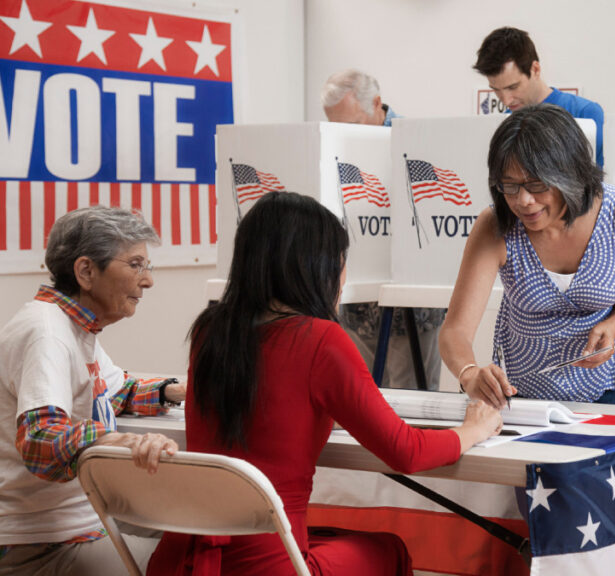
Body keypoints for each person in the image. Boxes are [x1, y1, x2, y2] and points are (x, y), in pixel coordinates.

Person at [147, 192, 501, 575]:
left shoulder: (210, 330)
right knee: (388, 550)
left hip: (183, 559)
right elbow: (406, 452)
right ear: (316, 266)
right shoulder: (319, 339)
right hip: (269, 564)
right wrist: (472, 430)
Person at [439, 104, 615, 407]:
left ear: (570, 174)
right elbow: (455, 330)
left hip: (614, 386)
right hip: (525, 394)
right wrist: (469, 374)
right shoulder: (496, 226)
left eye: (537, 184)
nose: (523, 201)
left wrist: (614, 325)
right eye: (509, 186)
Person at [0, 205, 183, 575]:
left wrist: (176, 391)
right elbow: (40, 439)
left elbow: (116, 393)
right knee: (196, 561)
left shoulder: (75, 328)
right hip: (42, 542)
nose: (147, 281)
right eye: (135, 265)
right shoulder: (47, 333)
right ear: (85, 271)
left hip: (77, 519)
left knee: (193, 531)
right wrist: (121, 441)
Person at [321, 69, 446, 391]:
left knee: (411, 402)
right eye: (334, 125)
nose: (342, 133)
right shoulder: (333, 146)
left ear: (377, 103)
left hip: (411, 307)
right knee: (361, 395)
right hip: (357, 306)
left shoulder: (417, 141)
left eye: (352, 125)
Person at [474, 27, 606, 167]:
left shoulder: (585, 114)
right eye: (496, 90)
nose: (506, 100)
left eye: (513, 87)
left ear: (535, 69)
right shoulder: (504, 123)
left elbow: (599, 183)